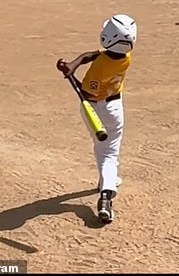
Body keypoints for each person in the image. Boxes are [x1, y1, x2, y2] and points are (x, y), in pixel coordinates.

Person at [56, 14, 137, 224]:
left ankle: (106, 195)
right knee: (110, 150)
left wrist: (70, 75)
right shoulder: (126, 57)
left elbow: (88, 94)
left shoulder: (100, 67)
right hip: (115, 107)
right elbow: (93, 55)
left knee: (105, 152)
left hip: (96, 109)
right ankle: (107, 179)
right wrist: (74, 64)